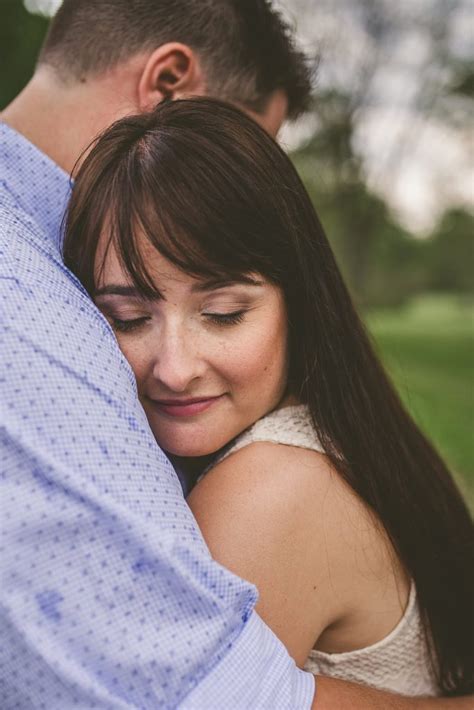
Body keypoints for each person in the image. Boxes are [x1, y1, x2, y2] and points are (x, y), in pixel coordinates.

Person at [0, 0, 470, 707]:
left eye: (222, 313)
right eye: (125, 318)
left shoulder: (267, 490)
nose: (175, 364)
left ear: (298, 304)